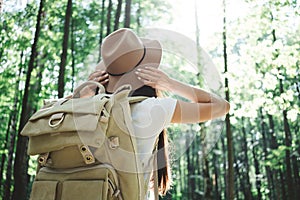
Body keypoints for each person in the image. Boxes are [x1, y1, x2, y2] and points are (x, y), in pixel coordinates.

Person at [87, 28, 230, 198]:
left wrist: (83, 94)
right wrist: (170, 84)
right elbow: (221, 106)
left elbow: (49, 115)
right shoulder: (153, 110)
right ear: (148, 72)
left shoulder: (86, 111)